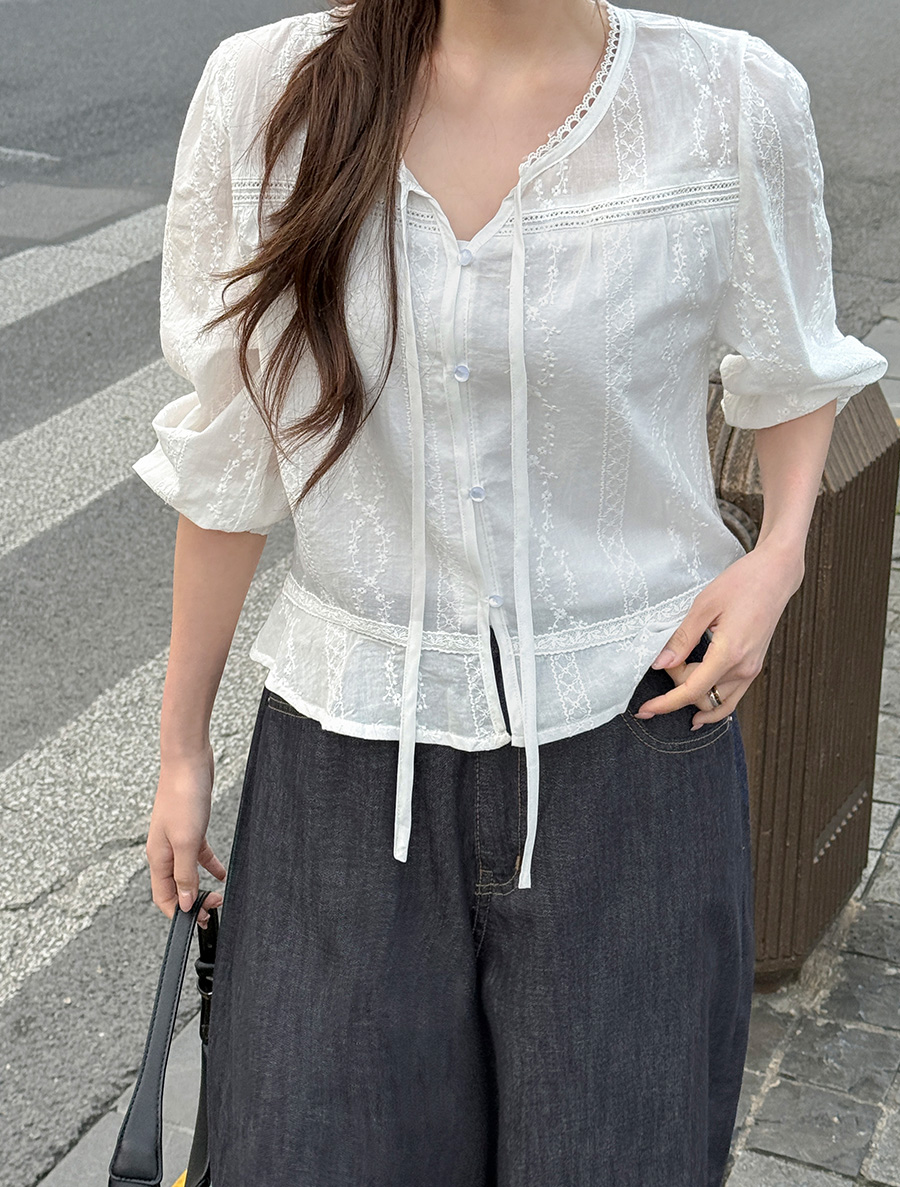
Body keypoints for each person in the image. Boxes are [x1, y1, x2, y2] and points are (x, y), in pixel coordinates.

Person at [135, 1, 888, 1183]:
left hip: (632, 739)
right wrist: (183, 748)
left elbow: (794, 364)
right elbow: (229, 455)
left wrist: (780, 552)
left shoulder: (732, 98)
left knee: (620, 1155)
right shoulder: (269, 92)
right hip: (347, 760)